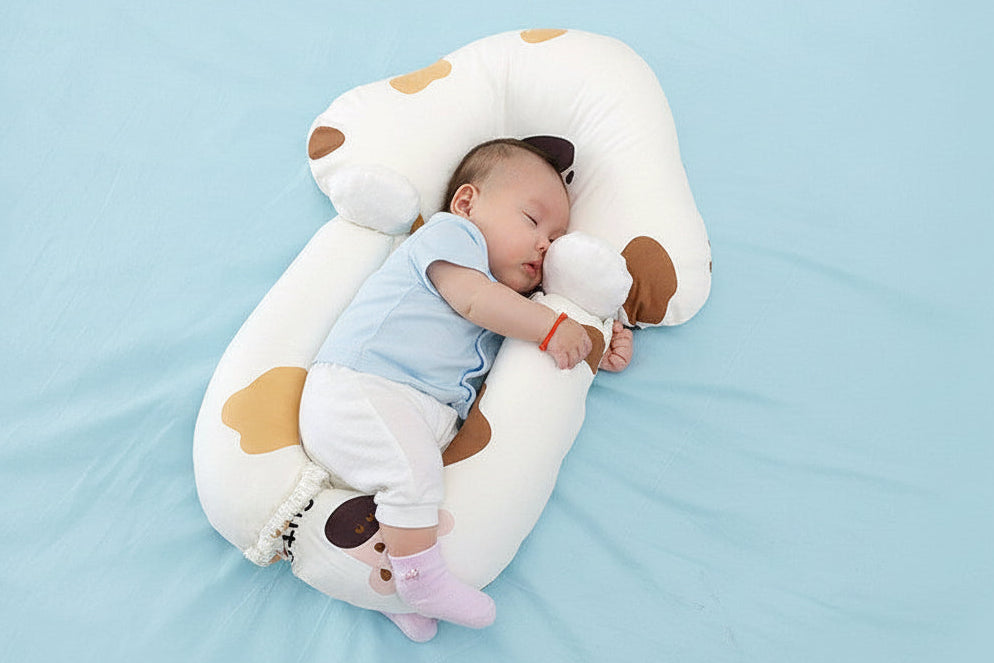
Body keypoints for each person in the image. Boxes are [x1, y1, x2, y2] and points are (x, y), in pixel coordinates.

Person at [298, 139, 634, 641]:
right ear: (467, 202)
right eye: (531, 220)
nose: (546, 244)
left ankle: (381, 588)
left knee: (414, 487)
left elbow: (513, 337)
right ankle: (422, 582)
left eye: (557, 237)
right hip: (360, 391)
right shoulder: (452, 238)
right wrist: (551, 325)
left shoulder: (510, 297)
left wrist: (597, 340)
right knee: (415, 479)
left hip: (408, 408)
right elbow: (477, 302)